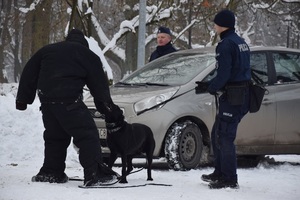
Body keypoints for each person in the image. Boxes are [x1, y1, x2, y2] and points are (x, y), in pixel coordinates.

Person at [16, 29, 124, 187]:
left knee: (55, 137)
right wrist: (105, 108)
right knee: (87, 135)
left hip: (47, 102)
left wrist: (23, 100)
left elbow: (29, 72)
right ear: (84, 44)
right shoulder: (87, 55)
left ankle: (51, 172)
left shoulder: (47, 50)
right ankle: (95, 174)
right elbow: (99, 86)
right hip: (70, 102)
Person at [197, 10, 251, 189]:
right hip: (240, 94)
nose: (214, 26)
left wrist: (211, 87)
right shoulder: (240, 42)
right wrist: (209, 84)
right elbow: (235, 71)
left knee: (225, 137)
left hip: (233, 96)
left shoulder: (226, 44)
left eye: (215, 23)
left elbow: (225, 74)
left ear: (222, 25)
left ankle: (229, 178)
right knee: (217, 133)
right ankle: (219, 172)